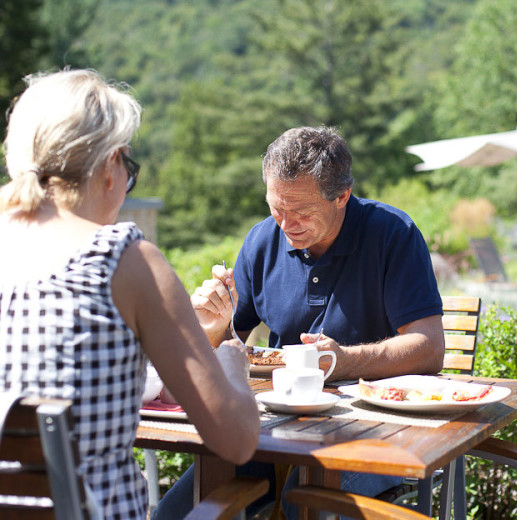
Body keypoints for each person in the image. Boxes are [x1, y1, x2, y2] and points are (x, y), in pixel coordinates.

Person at [0, 69, 260, 519]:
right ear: (108, 166)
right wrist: (232, 362)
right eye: (129, 168)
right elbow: (235, 441)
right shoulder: (123, 259)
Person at [156, 126, 445, 519]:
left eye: (301, 212)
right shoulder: (262, 241)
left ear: (342, 196)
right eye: (276, 208)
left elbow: (429, 347)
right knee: (176, 512)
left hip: (378, 430)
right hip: (279, 430)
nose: (285, 224)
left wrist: (343, 361)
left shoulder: (393, 234)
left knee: (303, 498)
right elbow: (229, 345)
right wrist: (212, 325)